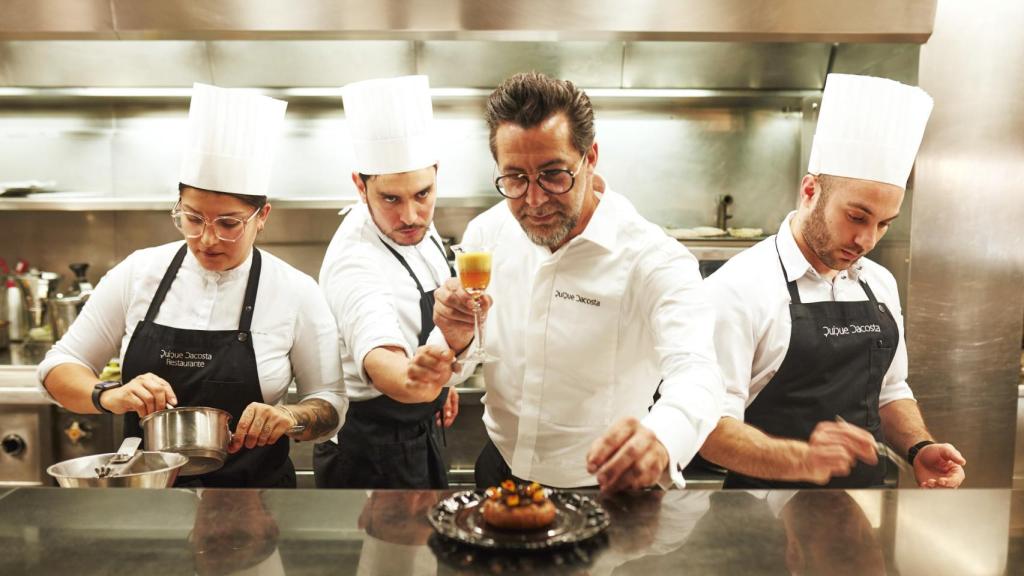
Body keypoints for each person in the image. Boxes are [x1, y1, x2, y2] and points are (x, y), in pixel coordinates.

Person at [38, 83, 347, 488]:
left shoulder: (295, 291)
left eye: (229, 223)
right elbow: (57, 368)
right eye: (193, 218)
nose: (207, 238)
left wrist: (291, 416)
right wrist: (107, 394)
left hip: (257, 501)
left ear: (262, 216)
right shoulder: (138, 273)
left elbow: (330, 404)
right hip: (147, 498)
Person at [432, 72, 723, 492]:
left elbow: (697, 373)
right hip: (497, 471)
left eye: (554, 174)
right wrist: (454, 341)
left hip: (601, 488)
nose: (534, 200)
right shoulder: (486, 235)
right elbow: (464, 355)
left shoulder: (653, 259)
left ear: (591, 157)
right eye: (515, 178)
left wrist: (661, 438)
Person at [700, 73, 966, 489]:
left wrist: (919, 447)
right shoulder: (738, 289)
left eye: (884, 225)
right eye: (857, 217)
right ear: (810, 191)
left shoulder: (878, 283)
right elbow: (708, 427)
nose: (867, 240)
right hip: (760, 526)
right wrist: (802, 460)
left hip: (861, 515)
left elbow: (890, 392)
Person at [314, 75, 462, 489]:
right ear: (360, 186)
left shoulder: (416, 227)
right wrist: (422, 382)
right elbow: (385, 366)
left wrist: (437, 388)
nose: (411, 216)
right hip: (371, 455)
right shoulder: (355, 261)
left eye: (423, 193)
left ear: (436, 173)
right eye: (391, 199)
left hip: (420, 432)